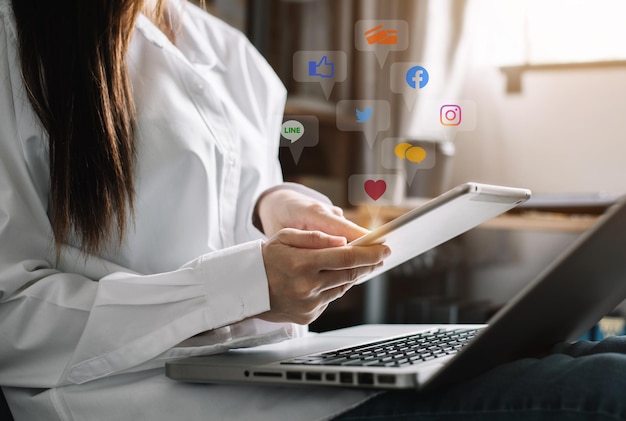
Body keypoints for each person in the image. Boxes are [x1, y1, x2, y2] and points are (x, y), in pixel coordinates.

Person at [0, 1, 625, 420]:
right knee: (603, 390)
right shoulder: (19, 39)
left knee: (607, 356)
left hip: (280, 364)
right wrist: (243, 287)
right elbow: (10, 317)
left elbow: (233, 185)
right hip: (141, 396)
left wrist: (278, 202)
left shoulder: (221, 44)